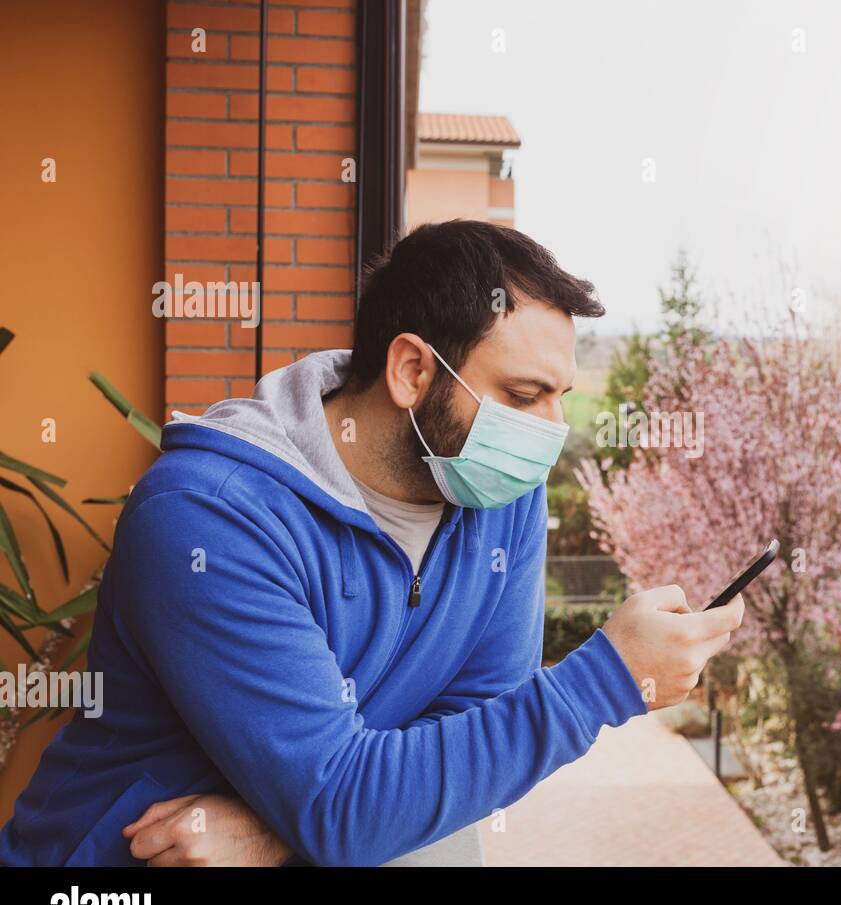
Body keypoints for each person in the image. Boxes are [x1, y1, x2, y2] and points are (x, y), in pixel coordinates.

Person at [0, 220, 742, 867]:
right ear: (413, 370)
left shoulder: (501, 491)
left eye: (560, 398)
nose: (551, 431)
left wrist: (288, 824)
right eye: (523, 396)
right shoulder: (210, 517)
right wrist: (607, 679)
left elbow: (478, 718)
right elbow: (350, 803)